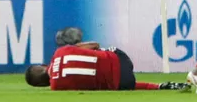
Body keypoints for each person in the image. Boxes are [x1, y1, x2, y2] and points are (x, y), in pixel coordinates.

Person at [26, 28, 188, 91]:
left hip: (124, 84)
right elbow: (95, 45)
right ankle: (159, 85)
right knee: (101, 54)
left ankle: (158, 87)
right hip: (122, 59)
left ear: (42, 85)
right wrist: (76, 46)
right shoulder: (60, 51)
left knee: (99, 81)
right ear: (42, 65)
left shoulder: (57, 87)